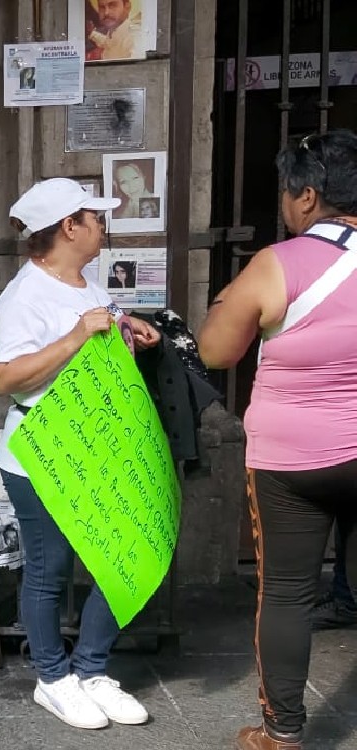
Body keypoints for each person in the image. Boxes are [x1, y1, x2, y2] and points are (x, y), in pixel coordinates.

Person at [197, 130, 357, 750]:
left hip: (293, 459)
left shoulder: (278, 263)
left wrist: (224, 305)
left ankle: (281, 733)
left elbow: (216, 350)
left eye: (289, 192)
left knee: (287, 592)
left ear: (309, 196)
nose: (286, 205)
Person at [0, 177, 161, 731]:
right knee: (49, 570)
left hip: (95, 451)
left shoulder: (86, 285)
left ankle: (91, 669)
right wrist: (73, 338)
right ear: (69, 226)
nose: (102, 225)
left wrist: (124, 323)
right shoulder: (21, 296)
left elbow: (95, 328)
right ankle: (53, 678)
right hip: (40, 455)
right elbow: (6, 379)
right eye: (96, 217)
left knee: (120, 555)